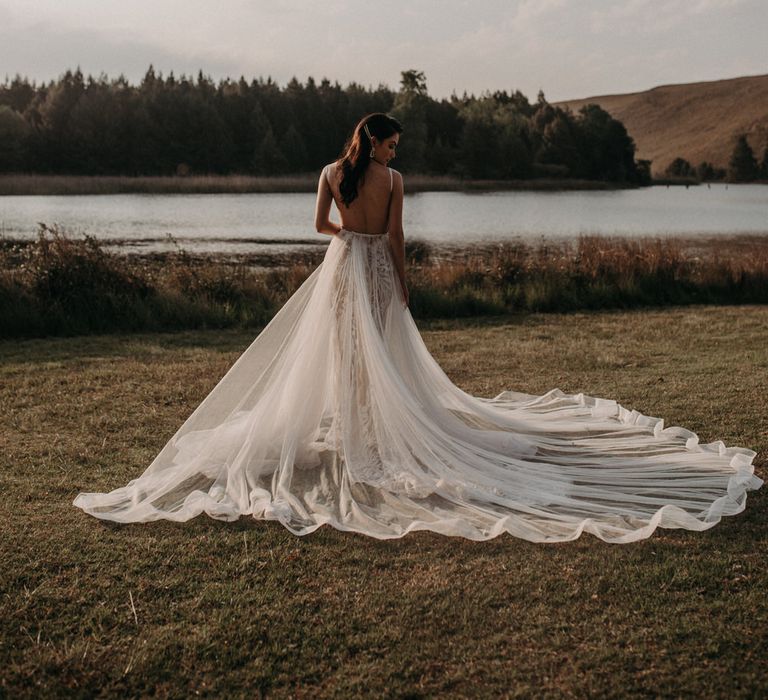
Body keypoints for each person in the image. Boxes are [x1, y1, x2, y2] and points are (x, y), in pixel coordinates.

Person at [72, 112, 763, 543]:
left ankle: (354, 428)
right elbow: (397, 239)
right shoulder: (394, 181)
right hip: (371, 269)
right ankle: (371, 431)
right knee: (383, 356)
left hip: (341, 264)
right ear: (377, 140)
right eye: (392, 139)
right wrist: (400, 282)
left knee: (344, 354)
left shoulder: (329, 172)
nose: (395, 147)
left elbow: (318, 228)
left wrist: (345, 233)